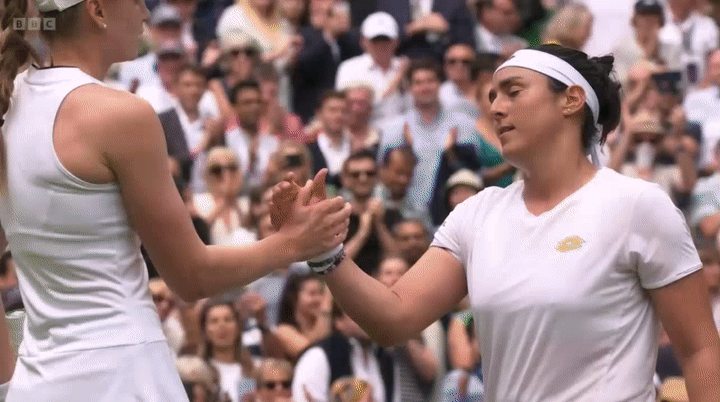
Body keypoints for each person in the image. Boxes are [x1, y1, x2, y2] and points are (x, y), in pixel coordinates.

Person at [271, 44, 720, 400]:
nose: (496, 108)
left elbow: (700, 348)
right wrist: (324, 251)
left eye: (513, 91)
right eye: (492, 97)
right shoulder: (476, 213)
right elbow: (394, 318)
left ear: (571, 99)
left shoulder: (637, 205)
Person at [0, 0, 352, 398]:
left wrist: (8, 383)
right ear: (97, 10)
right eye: (135, 1)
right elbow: (191, 276)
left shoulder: (9, 104)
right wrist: (294, 242)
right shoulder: (119, 114)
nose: (146, 13)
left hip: (37, 385)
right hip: (127, 378)